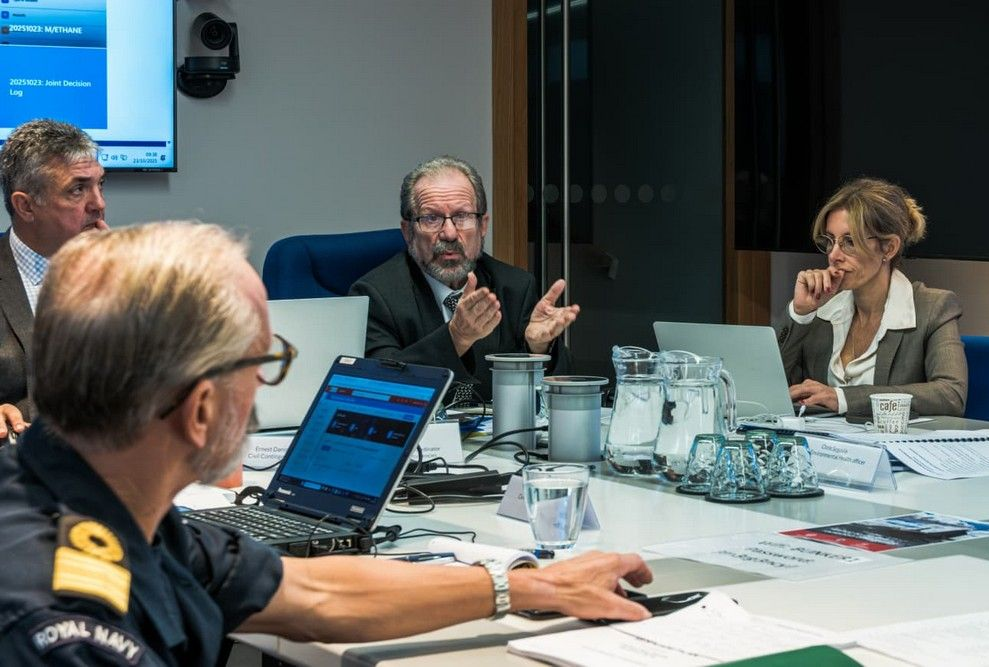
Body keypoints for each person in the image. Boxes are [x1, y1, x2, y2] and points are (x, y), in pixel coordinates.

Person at [0, 221, 653, 665]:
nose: (263, 384)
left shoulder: (107, 506)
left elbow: (315, 593)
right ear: (200, 409)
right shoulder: (59, 622)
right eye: (263, 361)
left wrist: (533, 586)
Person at [349, 156, 578, 400]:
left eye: (462, 216)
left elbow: (560, 393)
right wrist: (456, 337)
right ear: (408, 232)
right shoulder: (374, 295)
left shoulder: (515, 287)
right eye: (431, 218)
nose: (449, 233)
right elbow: (377, 388)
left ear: (482, 226)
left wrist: (539, 348)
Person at [777, 177, 967, 417]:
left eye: (849, 242)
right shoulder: (820, 309)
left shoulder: (933, 307)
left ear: (888, 248)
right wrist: (800, 313)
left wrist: (843, 399)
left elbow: (950, 395)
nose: (834, 255)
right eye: (830, 241)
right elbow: (768, 386)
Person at [0, 119, 108, 435]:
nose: (98, 205)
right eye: (78, 189)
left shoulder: (126, 273)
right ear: (25, 206)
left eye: (100, 185)